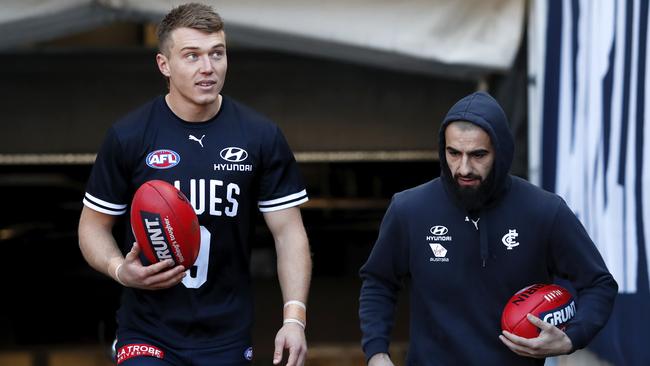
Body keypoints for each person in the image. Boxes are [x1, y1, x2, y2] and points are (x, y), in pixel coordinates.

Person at [78, 3, 311, 365]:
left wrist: (294, 319)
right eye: (192, 56)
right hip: (147, 331)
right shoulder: (129, 136)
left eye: (217, 54)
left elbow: (289, 234)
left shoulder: (260, 136)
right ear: (164, 65)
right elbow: (93, 226)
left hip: (226, 334)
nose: (208, 67)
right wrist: (119, 269)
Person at [358, 91, 617, 365]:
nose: (464, 168)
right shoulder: (409, 209)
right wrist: (377, 352)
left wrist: (571, 338)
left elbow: (599, 284)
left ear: (501, 151)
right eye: (453, 153)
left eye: (478, 155)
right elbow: (378, 281)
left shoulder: (544, 211)